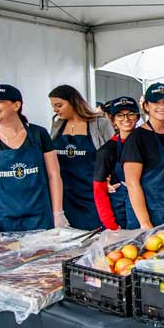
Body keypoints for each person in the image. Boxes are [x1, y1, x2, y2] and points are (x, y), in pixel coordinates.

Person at [0, 84, 66, 243]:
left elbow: (54, 175)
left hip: (40, 218)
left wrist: (57, 213)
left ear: (16, 105)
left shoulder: (39, 134)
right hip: (2, 222)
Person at [49, 85, 114, 230]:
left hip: (92, 193)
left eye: (59, 105)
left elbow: (113, 153)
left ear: (73, 102)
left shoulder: (100, 123)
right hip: (65, 194)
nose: (55, 110)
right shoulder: (57, 125)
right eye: (53, 106)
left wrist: (110, 176)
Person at [122, 82, 164, 228]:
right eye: (156, 102)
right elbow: (132, 183)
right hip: (144, 214)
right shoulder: (137, 138)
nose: (162, 106)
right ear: (146, 106)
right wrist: (145, 222)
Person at [93, 96, 139, 231]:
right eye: (120, 115)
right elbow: (99, 190)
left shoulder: (147, 143)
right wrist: (111, 226)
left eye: (130, 114)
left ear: (137, 117)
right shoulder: (106, 151)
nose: (126, 119)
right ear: (112, 120)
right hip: (121, 213)